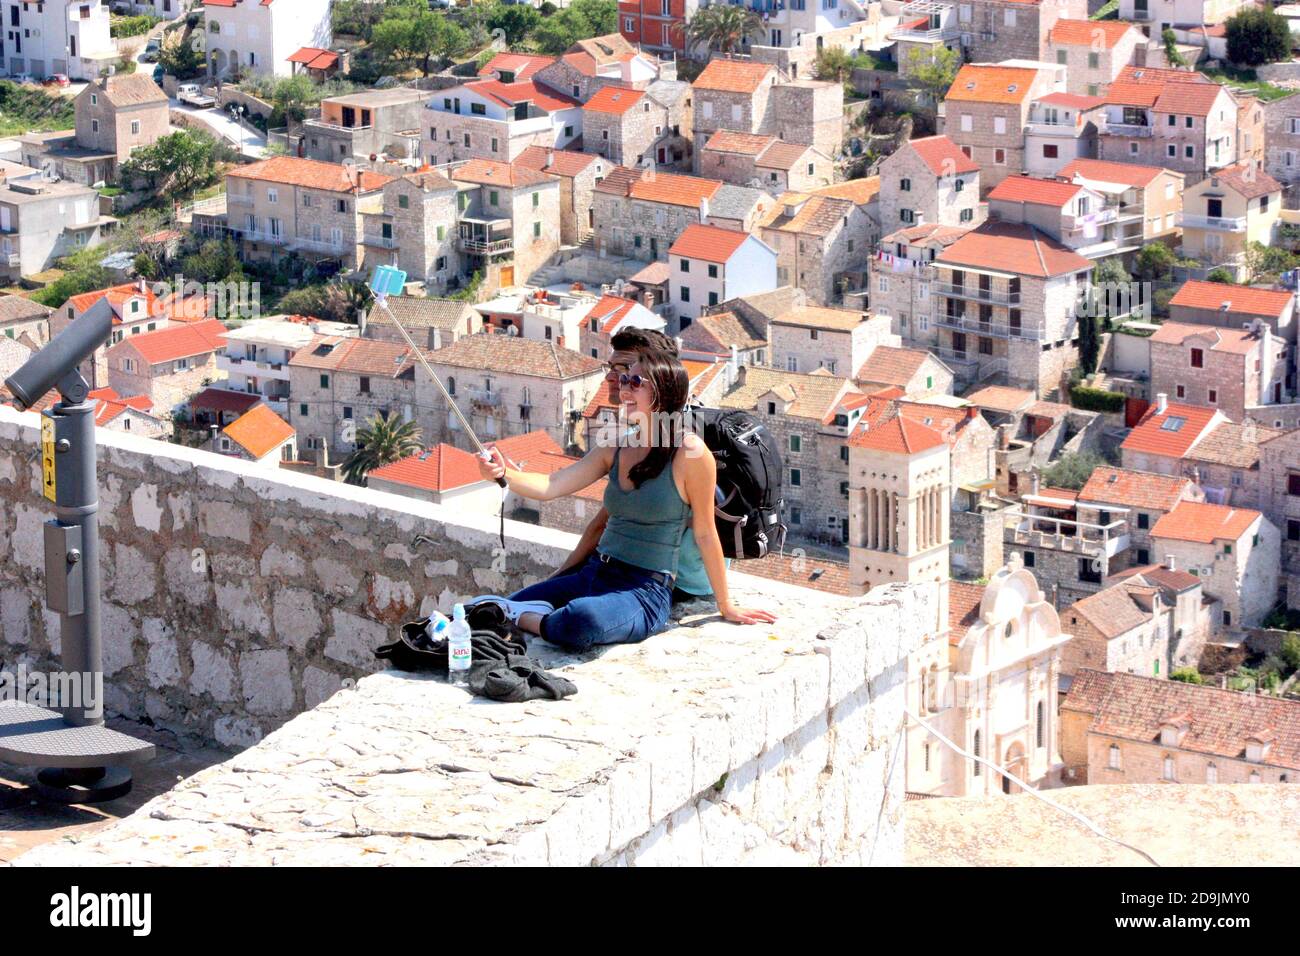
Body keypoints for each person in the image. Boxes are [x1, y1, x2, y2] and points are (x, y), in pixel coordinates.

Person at [476, 347, 775, 652]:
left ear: (663, 392)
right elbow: (552, 485)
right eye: (624, 379)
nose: (623, 387)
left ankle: (528, 620)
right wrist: (503, 474)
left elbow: (705, 533)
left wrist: (725, 605)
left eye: (636, 382)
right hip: (595, 572)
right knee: (482, 609)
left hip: (644, 590)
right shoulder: (615, 448)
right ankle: (526, 615)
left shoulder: (691, 454)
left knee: (582, 620)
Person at [550, 328, 714, 605]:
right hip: (691, 578)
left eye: (628, 371)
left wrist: (557, 578)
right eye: (612, 368)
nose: (615, 378)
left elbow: (602, 525)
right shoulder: (663, 426)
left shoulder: (674, 441)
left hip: (666, 581)